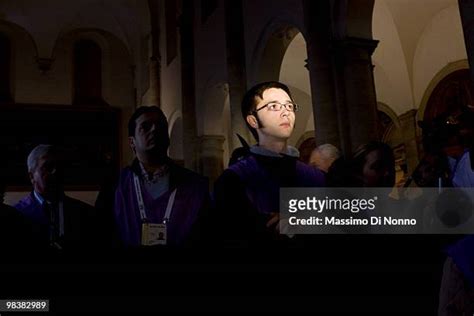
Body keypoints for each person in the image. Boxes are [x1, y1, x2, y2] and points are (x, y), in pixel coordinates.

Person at [212, 81, 325, 247]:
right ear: (253, 120)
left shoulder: (315, 176)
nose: (286, 113)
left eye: (289, 106)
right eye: (273, 106)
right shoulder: (234, 179)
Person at [114, 106, 210, 247]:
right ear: (132, 142)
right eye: (146, 126)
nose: (154, 129)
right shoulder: (116, 186)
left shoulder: (195, 185)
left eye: (160, 126)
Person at [14, 145, 97, 249]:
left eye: (60, 166)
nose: (56, 171)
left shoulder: (85, 214)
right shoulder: (17, 214)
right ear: (31, 176)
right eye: (48, 166)